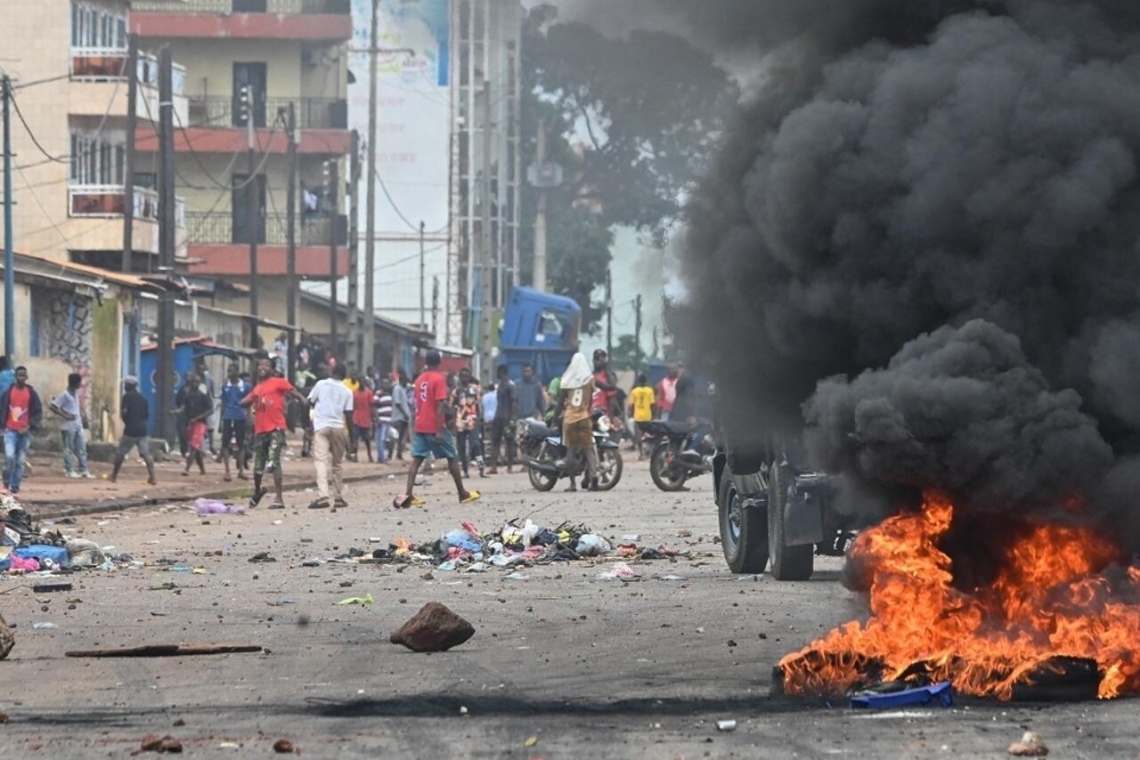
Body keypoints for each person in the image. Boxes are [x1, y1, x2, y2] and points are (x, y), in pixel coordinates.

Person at [395, 350, 481, 509]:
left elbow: (419, 402)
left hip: (420, 424)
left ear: (426, 362)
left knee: (416, 459)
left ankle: (408, 494)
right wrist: (439, 430)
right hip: (434, 425)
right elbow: (440, 404)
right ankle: (462, 493)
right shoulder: (439, 379)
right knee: (452, 457)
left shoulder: (419, 379)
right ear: (439, 361)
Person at [241, 358, 308, 509]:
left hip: (276, 428)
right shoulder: (257, 388)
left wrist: (303, 401)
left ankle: (279, 498)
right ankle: (257, 492)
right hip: (260, 431)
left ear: (272, 369)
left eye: (266, 365)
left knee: (273, 460)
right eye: (260, 365)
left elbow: (295, 394)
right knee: (258, 466)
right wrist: (237, 403)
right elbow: (246, 400)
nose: (263, 367)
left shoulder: (279, 382)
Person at [308, 364, 353, 509]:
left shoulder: (321, 384)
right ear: (345, 376)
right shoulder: (347, 391)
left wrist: (309, 424)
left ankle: (323, 497)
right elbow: (349, 416)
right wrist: (351, 437)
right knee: (337, 464)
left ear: (332, 372)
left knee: (321, 461)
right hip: (338, 428)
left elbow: (310, 402)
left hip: (321, 427)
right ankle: (338, 498)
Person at [553, 353, 597, 492]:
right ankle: (594, 475)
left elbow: (560, 404)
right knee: (588, 449)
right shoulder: (589, 380)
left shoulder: (566, 381)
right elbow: (590, 400)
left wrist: (554, 420)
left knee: (570, 450)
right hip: (584, 417)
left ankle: (572, 484)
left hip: (570, 419)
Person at [0, 367, 42, 495]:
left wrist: (29, 426)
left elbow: (37, 411)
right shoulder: (8, 392)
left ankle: (15, 487)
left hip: (25, 432)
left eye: (23, 375)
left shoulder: (31, 393)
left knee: (20, 461)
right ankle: (6, 483)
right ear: (15, 377)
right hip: (10, 430)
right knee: (9, 456)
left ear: (27, 377)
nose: (21, 378)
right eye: (19, 375)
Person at [110, 376, 156, 485]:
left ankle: (114, 476)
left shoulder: (127, 397)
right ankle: (153, 477)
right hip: (142, 430)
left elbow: (124, 412)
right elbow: (147, 414)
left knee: (120, 453)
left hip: (130, 429)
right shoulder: (143, 398)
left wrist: (127, 422)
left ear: (129, 385)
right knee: (146, 453)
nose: (124, 386)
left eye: (126, 384)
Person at [50, 373, 92, 478]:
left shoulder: (76, 394)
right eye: (79, 383)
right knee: (68, 448)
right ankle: (70, 470)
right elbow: (53, 406)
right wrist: (65, 415)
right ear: (75, 383)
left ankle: (84, 470)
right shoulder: (64, 395)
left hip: (77, 425)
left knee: (81, 448)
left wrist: (83, 418)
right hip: (67, 426)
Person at [174, 376, 213, 477]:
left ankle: (187, 469)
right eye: (193, 382)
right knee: (196, 448)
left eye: (197, 382)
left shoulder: (203, 396)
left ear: (200, 383)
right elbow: (183, 407)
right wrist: (176, 412)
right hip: (191, 423)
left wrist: (198, 418)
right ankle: (202, 469)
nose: (194, 384)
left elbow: (210, 410)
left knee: (193, 446)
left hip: (200, 424)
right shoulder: (188, 396)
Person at [219, 363, 251, 482]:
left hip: (240, 417)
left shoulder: (245, 386)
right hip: (228, 416)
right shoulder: (225, 386)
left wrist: (248, 417)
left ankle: (241, 470)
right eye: (228, 371)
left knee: (241, 444)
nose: (229, 373)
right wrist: (221, 421)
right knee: (225, 444)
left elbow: (249, 403)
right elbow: (223, 403)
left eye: (231, 371)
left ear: (237, 372)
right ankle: (227, 471)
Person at [488, 365, 517, 475]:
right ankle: (494, 467)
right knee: (495, 441)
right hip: (498, 416)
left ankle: (509, 467)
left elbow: (514, 402)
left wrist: (512, 419)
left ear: (501, 372)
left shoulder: (510, 385)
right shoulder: (500, 385)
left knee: (509, 442)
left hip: (506, 417)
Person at [456, 388, 484, 479]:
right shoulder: (461, 405)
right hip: (461, 427)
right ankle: (465, 471)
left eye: (472, 397)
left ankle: (481, 468)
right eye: (468, 397)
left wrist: (478, 427)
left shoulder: (476, 405)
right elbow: (457, 416)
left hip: (472, 426)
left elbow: (478, 417)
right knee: (462, 447)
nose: (470, 400)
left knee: (476, 445)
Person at [628, 373, 657, 460]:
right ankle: (649, 452)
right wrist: (654, 415)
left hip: (638, 417)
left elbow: (632, 405)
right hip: (647, 416)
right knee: (649, 436)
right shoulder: (650, 391)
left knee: (639, 437)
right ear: (646, 381)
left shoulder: (634, 391)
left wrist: (631, 414)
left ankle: (641, 454)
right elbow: (652, 404)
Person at [173, 370, 196, 461]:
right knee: (182, 433)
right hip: (183, 414)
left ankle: (194, 453)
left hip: (193, 415)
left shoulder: (196, 390)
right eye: (187, 376)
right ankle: (184, 451)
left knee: (194, 434)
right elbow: (178, 401)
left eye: (190, 376)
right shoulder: (182, 390)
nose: (188, 378)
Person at [351, 377, 375, 463]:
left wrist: (373, 417)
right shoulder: (354, 393)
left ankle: (369, 455)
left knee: (367, 439)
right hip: (356, 418)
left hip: (366, 418)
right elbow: (352, 406)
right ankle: (355, 456)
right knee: (355, 438)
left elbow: (372, 405)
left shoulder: (369, 393)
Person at [390, 371, 412, 460]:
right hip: (398, 417)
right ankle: (390, 453)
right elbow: (397, 403)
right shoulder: (397, 389)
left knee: (401, 437)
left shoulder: (403, 389)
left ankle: (399, 453)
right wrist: (404, 414)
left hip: (404, 417)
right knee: (395, 436)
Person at [591, 349, 619, 416]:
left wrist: (610, 418)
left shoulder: (608, 377)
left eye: (600, 359)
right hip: (590, 414)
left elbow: (612, 400)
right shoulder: (589, 376)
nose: (597, 361)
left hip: (603, 414)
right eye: (596, 358)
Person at [373, 380, 393, 464]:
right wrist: (377, 419)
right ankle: (381, 458)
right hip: (381, 421)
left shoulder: (389, 395)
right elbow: (373, 406)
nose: (387, 385)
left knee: (384, 439)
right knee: (380, 440)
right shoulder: (378, 394)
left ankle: (382, 457)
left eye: (387, 383)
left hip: (387, 421)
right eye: (385, 384)